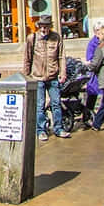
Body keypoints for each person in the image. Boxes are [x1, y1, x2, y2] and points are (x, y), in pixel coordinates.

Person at [23, 14, 67, 142]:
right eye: (42, 27)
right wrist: (26, 76)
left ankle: (58, 128)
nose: (44, 29)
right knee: (40, 105)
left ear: (50, 27)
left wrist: (62, 72)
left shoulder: (56, 38)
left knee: (56, 103)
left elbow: (61, 56)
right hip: (38, 77)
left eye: (46, 27)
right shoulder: (32, 38)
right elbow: (27, 58)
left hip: (53, 76)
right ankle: (41, 130)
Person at [82, 17, 104, 129]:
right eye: (99, 31)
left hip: (103, 73)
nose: (101, 33)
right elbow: (89, 58)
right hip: (95, 73)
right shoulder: (92, 43)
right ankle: (87, 116)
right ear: (95, 32)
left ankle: (101, 115)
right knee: (92, 95)